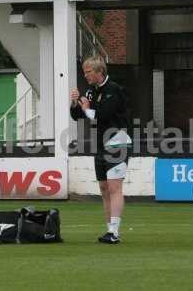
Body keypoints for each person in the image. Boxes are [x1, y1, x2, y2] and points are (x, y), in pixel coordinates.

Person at [70, 56, 129, 244]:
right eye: (84, 72)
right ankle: (109, 229)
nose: (85, 75)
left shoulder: (114, 90)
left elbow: (103, 115)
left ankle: (114, 231)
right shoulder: (90, 92)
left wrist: (87, 109)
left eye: (88, 72)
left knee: (114, 187)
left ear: (99, 72)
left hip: (117, 141)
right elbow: (77, 115)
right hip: (100, 144)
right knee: (104, 188)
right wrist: (74, 104)